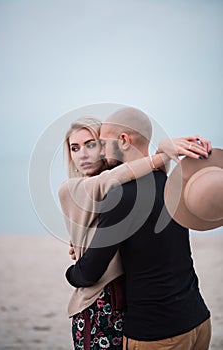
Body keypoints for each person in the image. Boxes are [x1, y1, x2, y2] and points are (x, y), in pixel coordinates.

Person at [65, 107, 212, 350]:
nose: (100, 151)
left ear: (123, 140)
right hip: (198, 320)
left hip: (158, 333)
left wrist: (71, 273)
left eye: (102, 143)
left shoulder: (121, 196)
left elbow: (88, 273)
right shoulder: (169, 183)